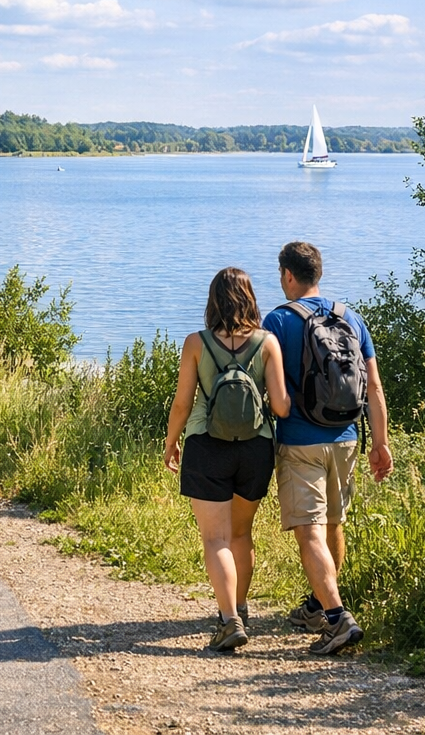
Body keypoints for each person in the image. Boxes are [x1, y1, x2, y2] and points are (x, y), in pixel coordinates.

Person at [263, 241, 393, 656]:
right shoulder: (351, 318)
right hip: (347, 437)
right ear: (317, 273)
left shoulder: (279, 321)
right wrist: (382, 444)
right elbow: (373, 388)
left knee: (309, 531)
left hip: (300, 440)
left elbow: (274, 389)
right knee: (334, 524)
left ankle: (337, 619)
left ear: (287, 274)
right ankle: (318, 605)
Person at [163, 267, 290, 653]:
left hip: (207, 445)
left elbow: (183, 403)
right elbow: (282, 406)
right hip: (255, 448)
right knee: (240, 533)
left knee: (215, 537)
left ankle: (228, 620)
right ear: (250, 298)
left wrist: (171, 442)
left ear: (213, 299)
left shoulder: (196, 343)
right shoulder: (267, 342)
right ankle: (239, 607)